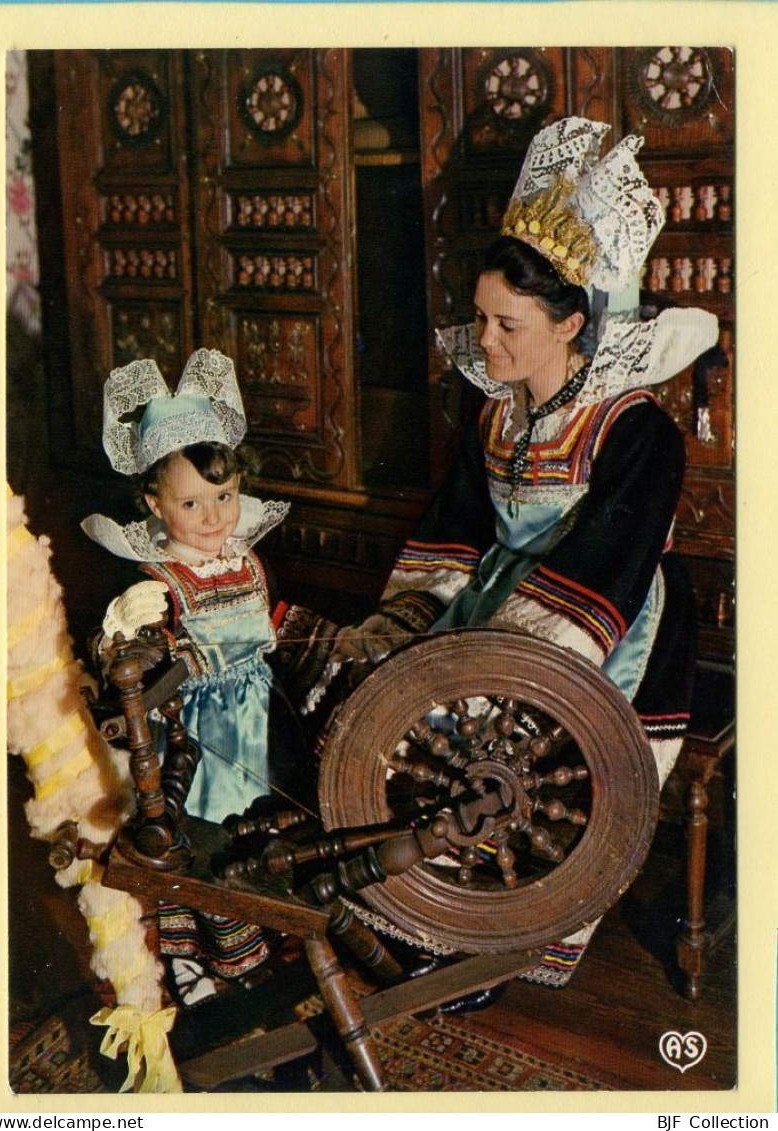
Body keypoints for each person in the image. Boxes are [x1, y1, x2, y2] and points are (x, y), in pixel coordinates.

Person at [321, 116, 720, 995]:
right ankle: (431, 912)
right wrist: (407, 628)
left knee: (516, 758)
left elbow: (615, 558)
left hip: (607, 625)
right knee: (403, 713)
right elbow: (454, 532)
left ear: (571, 321)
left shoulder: (634, 426)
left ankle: (502, 938)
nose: (487, 341)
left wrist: (497, 663)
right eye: (480, 318)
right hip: (498, 603)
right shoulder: (498, 416)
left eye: (506, 323)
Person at [83, 347, 335, 1007]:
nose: (215, 516)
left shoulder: (243, 560)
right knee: (210, 846)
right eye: (192, 502)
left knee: (271, 830)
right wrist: (126, 629)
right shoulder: (162, 580)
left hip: (261, 723)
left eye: (224, 496)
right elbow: (129, 654)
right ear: (155, 504)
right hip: (200, 739)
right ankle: (206, 967)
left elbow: (273, 625)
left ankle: (265, 953)